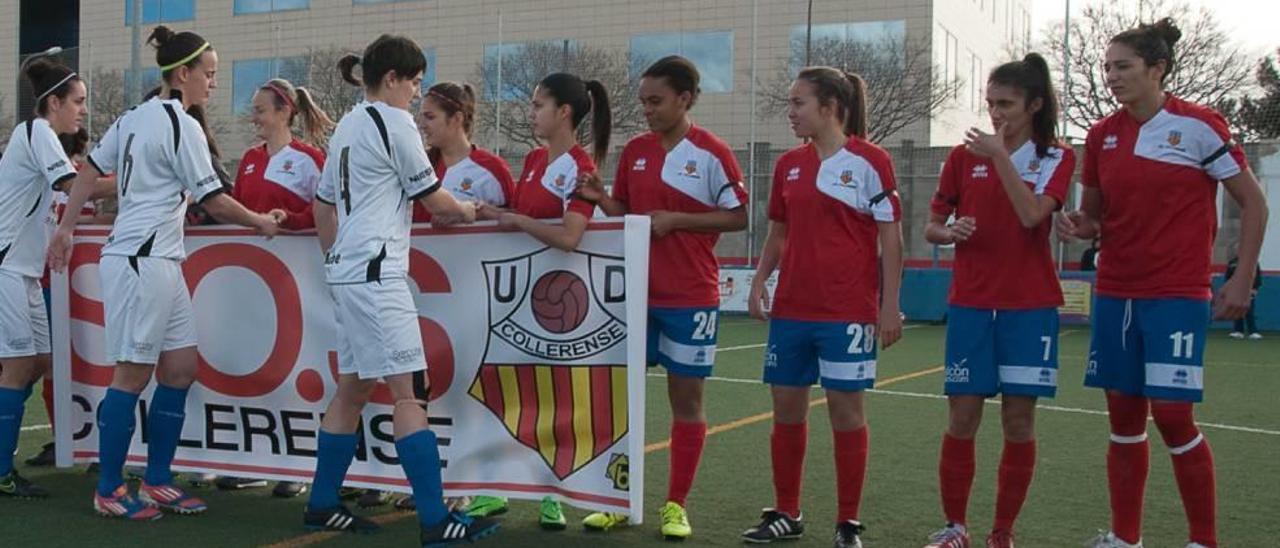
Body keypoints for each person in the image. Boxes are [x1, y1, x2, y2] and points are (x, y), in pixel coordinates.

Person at [48, 25, 284, 521]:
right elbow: (212, 199)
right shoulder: (179, 123)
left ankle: (156, 479)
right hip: (141, 262)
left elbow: (91, 171)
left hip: (159, 262)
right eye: (210, 74)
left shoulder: (137, 116)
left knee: (179, 369)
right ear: (183, 73)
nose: (214, 84)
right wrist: (260, 221)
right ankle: (109, 489)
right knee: (131, 376)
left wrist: (68, 228)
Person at [1055, 18, 1268, 548]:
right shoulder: (1102, 136)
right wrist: (1078, 224)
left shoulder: (1199, 125)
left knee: (1173, 416)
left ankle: (1203, 540)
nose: (1111, 76)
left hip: (1176, 293)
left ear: (1157, 68)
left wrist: (1241, 279)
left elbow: (1254, 202)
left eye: (1122, 67)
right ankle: (1125, 538)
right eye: (1107, 68)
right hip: (1115, 293)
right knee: (1123, 419)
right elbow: (1095, 218)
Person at [305, 34, 499, 546]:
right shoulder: (393, 124)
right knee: (409, 394)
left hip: (349, 272)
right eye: (413, 81)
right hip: (375, 274)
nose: (417, 93)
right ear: (391, 78)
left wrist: (337, 258)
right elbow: (436, 201)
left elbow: (323, 207)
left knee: (353, 389)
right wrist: (470, 210)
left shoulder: (346, 124)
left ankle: (322, 503)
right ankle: (436, 520)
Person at [574, 55, 748, 540]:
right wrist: (599, 197)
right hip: (634, 295)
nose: (647, 109)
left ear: (685, 98)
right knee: (620, 401)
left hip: (690, 297)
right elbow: (626, 213)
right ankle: (616, 498)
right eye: (643, 101)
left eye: (656, 101)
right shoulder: (636, 151)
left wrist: (678, 219)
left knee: (685, 401)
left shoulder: (712, 151)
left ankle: (676, 504)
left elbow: (739, 217)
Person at [740, 66, 904, 548]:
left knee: (846, 414)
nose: (790, 112)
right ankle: (786, 512)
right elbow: (778, 232)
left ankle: (847, 522)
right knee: (786, 413)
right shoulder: (789, 165)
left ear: (830, 107)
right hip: (792, 311)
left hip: (846, 312)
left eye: (798, 103)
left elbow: (890, 237)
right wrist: (759, 281)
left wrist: (888, 305)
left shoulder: (871, 161)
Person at [921, 53, 1075, 548]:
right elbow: (932, 224)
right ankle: (955, 527)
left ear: (1033, 104)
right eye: (990, 103)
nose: (995, 113)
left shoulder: (1056, 157)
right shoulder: (962, 158)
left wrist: (1001, 158)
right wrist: (949, 232)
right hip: (970, 304)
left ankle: (1002, 532)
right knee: (962, 417)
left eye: (1006, 103)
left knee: (1018, 420)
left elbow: (1033, 216)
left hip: (1029, 309)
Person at [465, 71, 610, 531]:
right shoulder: (531, 159)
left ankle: (552, 494)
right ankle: (493, 491)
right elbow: (519, 216)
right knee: (503, 391)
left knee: (554, 399)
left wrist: (515, 221)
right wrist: (497, 216)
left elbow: (570, 237)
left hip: (561, 304)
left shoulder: (581, 167)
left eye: (537, 105)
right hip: (516, 295)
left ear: (563, 112)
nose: (531, 114)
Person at [215, 76, 334, 497]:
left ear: (285, 112)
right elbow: (240, 211)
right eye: (254, 110)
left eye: (261, 110)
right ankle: (253, 460)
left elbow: (324, 211)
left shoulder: (309, 158)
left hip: (295, 281)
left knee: (297, 368)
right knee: (252, 366)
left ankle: (297, 466)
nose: (255, 118)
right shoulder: (248, 158)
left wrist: (290, 220)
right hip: (250, 280)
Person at [0, 55, 91, 498]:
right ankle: (1, 472)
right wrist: (141, 178)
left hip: (24, 274)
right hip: (6, 269)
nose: (83, 110)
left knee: (38, 363)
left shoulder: (41, 135)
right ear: (53, 102)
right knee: (18, 367)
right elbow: (74, 185)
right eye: (78, 101)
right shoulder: (36, 131)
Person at [1225, 243, 1262, 340]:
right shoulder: (1232, 263)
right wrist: (1228, 289)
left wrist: (1255, 289)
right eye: (1237, 249)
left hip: (1248, 291)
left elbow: (1257, 277)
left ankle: (1253, 332)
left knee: (1249, 311)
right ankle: (1238, 331)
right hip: (1235, 291)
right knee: (1237, 311)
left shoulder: (1253, 262)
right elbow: (1228, 277)